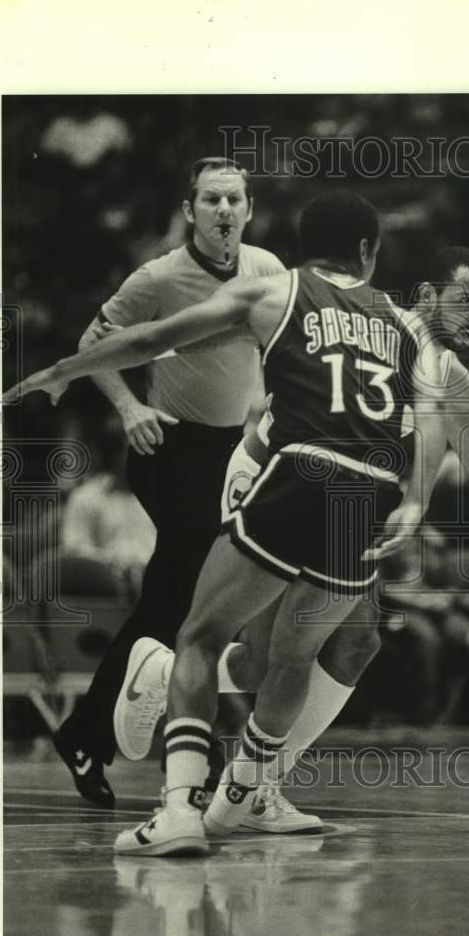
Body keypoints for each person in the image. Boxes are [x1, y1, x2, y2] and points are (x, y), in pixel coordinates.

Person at [109, 245, 469, 822]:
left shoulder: (449, 375)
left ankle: (205, 722)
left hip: (343, 497)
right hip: (273, 476)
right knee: (285, 652)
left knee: (348, 643)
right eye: (464, 301)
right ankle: (239, 780)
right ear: (425, 297)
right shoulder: (371, 325)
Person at [4, 190, 448, 856]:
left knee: (203, 635)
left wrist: (65, 371)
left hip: (296, 472)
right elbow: (434, 421)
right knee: (293, 655)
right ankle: (245, 789)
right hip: (368, 495)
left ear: (302, 248)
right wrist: (415, 500)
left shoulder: (275, 291)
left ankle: (185, 804)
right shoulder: (410, 326)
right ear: (368, 252)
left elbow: (155, 338)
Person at [50, 157, 285, 807]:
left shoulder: (266, 270)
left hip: (233, 454)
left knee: (178, 604)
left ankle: (101, 735)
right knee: (190, 595)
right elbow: (91, 342)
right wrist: (129, 408)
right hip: (169, 448)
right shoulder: (158, 276)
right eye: (210, 199)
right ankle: (188, 751)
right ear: (190, 210)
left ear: (249, 208)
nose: (223, 210)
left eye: (234, 199)